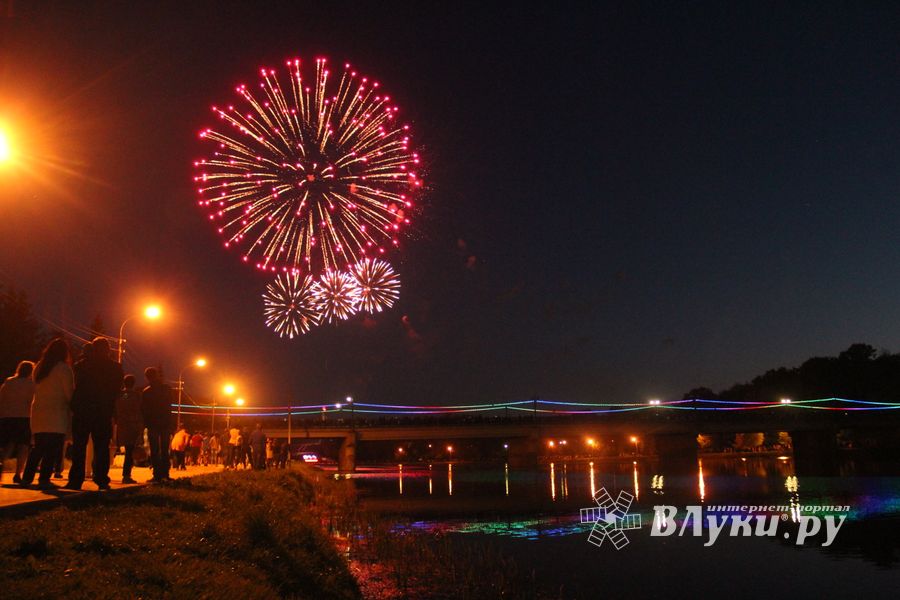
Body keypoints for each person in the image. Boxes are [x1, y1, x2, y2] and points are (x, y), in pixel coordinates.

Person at [66, 337, 123, 490]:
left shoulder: (82, 365)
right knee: (101, 447)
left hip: (82, 410)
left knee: (79, 446)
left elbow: (76, 385)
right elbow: (117, 390)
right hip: (103, 411)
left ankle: (75, 479)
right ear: (108, 350)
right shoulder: (116, 368)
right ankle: (101, 478)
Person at [21, 339, 73, 489]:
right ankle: (44, 478)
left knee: (38, 447)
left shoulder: (39, 367)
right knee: (52, 448)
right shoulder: (63, 369)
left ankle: (27, 476)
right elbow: (69, 393)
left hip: (38, 411)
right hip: (56, 413)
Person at [0, 360, 36, 483]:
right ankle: (18, 473)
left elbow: (2, 398)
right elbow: (32, 401)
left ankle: (1, 466)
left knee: (7, 445)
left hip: (7, 417)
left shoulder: (9, 381)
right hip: (24, 417)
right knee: (23, 446)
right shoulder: (31, 384)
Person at [141, 367, 173, 482]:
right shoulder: (167, 389)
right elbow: (169, 406)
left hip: (153, 424)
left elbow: (144, 410)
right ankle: (165, 473)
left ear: (147, 377)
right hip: (165, 423)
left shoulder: (147, 392)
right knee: (165, 450)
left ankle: (157, 475)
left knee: (154, 450)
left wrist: (146, 424)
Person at [114, 374, 143, 484]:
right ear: (133, 383)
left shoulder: (119, 395)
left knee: (123, 450)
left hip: (121, 425)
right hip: (132, 426)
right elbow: (139, 411)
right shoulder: (136, 396)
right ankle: (126, 475)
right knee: (130, 451)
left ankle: (98, 472)